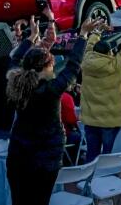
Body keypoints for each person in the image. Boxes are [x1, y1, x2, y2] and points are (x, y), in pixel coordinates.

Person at [6, 15, 97, 205]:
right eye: (51, 65)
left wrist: (31, 37)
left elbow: (14, 59)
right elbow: (73, 67)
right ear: (45, 67)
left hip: (18, 157)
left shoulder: (15, 82)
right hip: (44, 161)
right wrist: (83, 35)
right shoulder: (50, 91)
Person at [80, 14, 121, 163]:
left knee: (91, 155)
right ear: (109, 53)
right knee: (108, 157)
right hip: (110, 121)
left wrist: (97, 32)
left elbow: (89, 47)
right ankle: (106, 181)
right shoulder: (115, 65)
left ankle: (90, 183)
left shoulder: (86, 62)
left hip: (90, 120)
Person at [60, 81, 81, 164]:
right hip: (63, 133)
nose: (73, 85)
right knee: (78, 135)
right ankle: (72, 161)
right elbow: (71, 120)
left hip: (47, 133)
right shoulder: (66, 97)